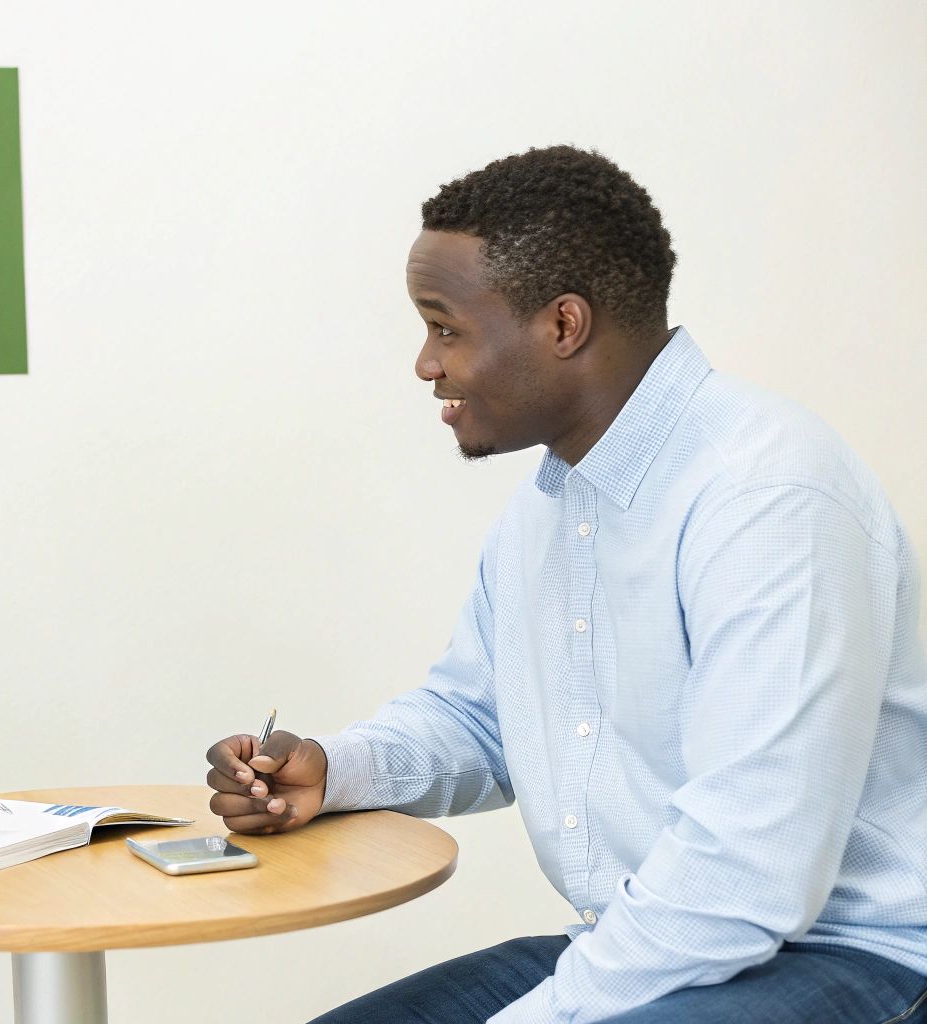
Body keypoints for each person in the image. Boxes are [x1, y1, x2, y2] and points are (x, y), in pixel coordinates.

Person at [204, 146, 927, 1023]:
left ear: (563, 326)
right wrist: (336, 769)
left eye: (445, 327)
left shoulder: (767, 495)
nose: (425, 365)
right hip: (659, 938)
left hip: (849, 957)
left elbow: (746, 870)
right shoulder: (551, 509)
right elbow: (478, 715)